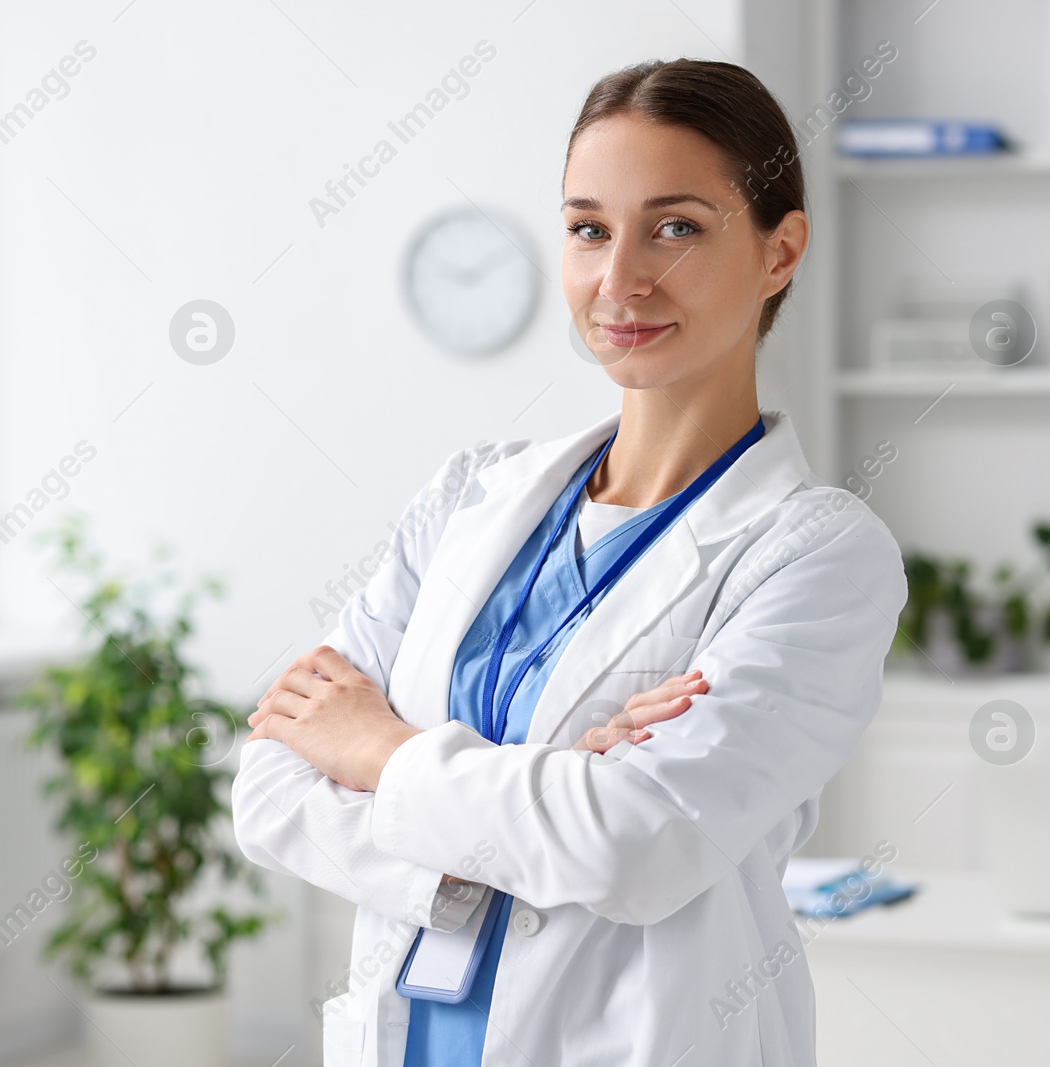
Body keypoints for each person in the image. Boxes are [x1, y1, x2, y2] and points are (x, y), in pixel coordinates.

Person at [233, 57, 907, 1067]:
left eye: (675, 227)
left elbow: (641, 842)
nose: (619, 278)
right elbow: (273, 785)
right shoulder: (469, 495)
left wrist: (377, 750)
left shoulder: (815, 553)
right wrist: (541, 803)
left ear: (779, 252)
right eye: (589, 228)